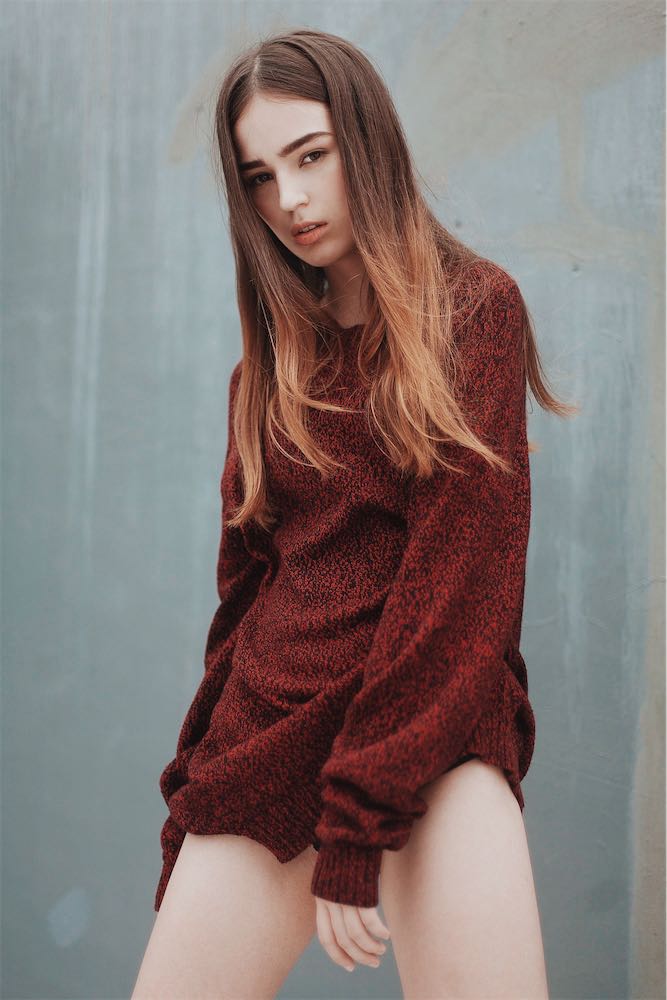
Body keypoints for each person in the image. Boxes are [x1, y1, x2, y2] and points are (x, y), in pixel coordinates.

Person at [132, 27, 576, 1000]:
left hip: (431, 737)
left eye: (309, 156)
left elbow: (461, 590)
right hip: (268, 733)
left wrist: (357, 816)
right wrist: (190, 792)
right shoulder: (265, 371)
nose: (289, 200)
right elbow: (243, 599)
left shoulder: (473, 314)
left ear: (364, 140)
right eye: (259, 177)